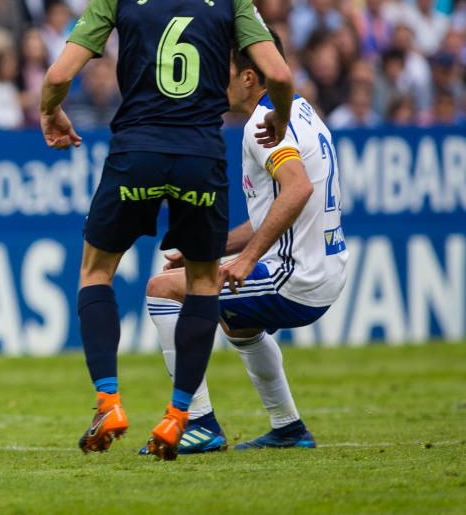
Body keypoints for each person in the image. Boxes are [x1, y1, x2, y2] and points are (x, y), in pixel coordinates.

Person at [39, 0, 294, 459]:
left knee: (96, 272)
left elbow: (60, 73)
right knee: (203, 283)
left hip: (136, 151)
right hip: (200, 155)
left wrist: (49, 110)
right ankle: (181, 417)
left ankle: (109, 402)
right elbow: (277, 70)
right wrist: (278, 110)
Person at [142, 30, 348, 453]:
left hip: (295, 277)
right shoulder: (301, 110)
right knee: (238, 321)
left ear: (250, 77)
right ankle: (288, 428)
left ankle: (196, 422)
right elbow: (277, 212)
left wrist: (246, 260)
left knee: (162, 291)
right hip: (323, 269)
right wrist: (213, 251)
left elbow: (296, 191)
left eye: (223, 71)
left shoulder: (261, 125)